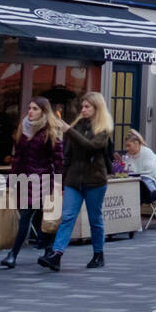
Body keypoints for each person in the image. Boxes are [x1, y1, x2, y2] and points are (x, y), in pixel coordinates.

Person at [39, 93, 114, 272]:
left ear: (97, 108)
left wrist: (68, 131)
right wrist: (63, 180)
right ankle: (56, 254)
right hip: (74, 180)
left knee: (95, 219)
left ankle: (98, 254)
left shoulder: (103, 129)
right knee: (68, 217)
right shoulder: (77, 126)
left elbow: (91, 147)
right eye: (83, 106)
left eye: (87, 107)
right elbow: (68, 155)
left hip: (95, 180)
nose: (83, 110)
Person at [0, 96, 64, 269]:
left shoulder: (50, 131)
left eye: (35, 109)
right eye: (29, 108)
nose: (30, 112)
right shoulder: (24, 129)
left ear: (43, 111)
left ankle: (48, 251)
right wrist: (11, 180)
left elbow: (58, 161)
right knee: (26, 217)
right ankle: (13, 254)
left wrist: (58, 184)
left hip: (43, 180)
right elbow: (17, 158)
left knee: (47, 217)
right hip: (25, 179)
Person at [122, 129, 156, 204]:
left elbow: (150, 172)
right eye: (126, 146)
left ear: (136, 143)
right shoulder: (128, 156)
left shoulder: (147, 153)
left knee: (137, 185)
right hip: (135, 185)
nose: (126, 149)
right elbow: (127, 172)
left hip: (151, 186)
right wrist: (121, 164)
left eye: (128, 145)